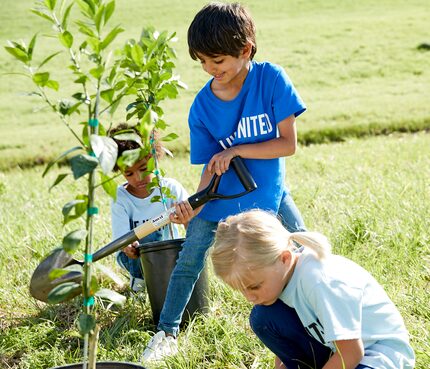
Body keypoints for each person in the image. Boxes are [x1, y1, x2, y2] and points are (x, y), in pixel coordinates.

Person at [142, 2, 307, 361]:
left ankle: (318, 309)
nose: (209, 70)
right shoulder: (201, 106)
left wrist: (236, 151)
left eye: (217, 61)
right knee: (189, 260)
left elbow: (287, 144)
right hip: (222, 196)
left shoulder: (271, 80)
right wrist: (196, 202)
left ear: (245, 50)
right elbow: (208, 168)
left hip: (267, 190)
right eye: (202, 61)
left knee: (304, 248)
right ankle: (166, 332)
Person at [211, 209, 415, 369]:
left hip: (378, 354)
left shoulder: (320, 281)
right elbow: (283, 354)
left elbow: (352, 352)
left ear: (284, 258)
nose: (249, 297)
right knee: (263, 317)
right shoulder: (282, 277)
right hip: (336, 350)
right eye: (242, 290)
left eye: (255, 286)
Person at [110, 124, 189, 293]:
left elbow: (193, 226)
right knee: (145, 239)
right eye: (128, 173)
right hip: (136, 256)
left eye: (143, 169)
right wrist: (128, 246)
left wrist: (186, 220)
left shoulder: (170, 189)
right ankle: (138, 285)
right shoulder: (121, 197)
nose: (138, 178)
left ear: (154, 157)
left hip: (167, 252)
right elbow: (121, 238)